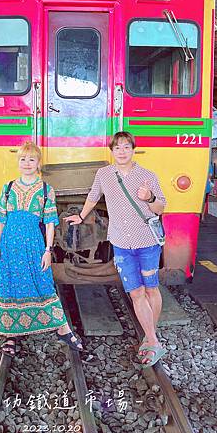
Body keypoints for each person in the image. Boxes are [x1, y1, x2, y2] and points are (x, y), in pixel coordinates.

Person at [65, 132, 166, 367]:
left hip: (146, 241)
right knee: (136, 292)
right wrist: (81, 216)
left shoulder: (147, 176)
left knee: (151, 289)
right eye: (117, 148)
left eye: (126, 147)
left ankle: (151, 337)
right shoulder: (104, 174)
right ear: (112, 151)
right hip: (121, 242)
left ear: (133, 150)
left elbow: (160, 207)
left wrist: (149, 197)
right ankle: (152, 339)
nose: (122, 151)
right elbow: (93, 196)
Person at [0, 141, 83, 356]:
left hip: (34, 243)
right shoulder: (8, 187)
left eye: (31, 159)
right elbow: (0, 220)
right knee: (9, 286)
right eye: (23, 159)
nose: (27, 163)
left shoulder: (45, 189)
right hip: (9, 245)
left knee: (43, 283)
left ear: (38, 162)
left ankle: (62, 328)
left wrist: (48, 250)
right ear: (18, 162)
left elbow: (50, 222)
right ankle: (11, 335)